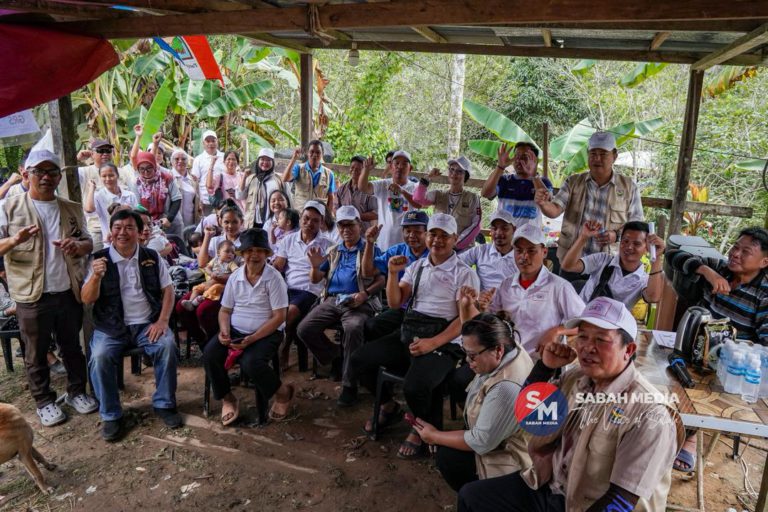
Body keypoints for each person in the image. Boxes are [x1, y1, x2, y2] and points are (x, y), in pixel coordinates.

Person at [457, 297, 684, 512]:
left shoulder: (651, 414)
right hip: (552, 486)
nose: (587, 347)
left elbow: (621, 502)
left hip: (588, 505)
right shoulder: (576, 378)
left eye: (601, 339)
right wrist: (544, 368)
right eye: (583, 337)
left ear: (629, 350)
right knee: (471, 497)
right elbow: (529, 418)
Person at [349, 214, 480, 457]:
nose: (437, 240)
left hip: (445, 339)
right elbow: (396, 302)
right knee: (359, 360)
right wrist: (392, 273)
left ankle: (422, 427)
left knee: (414, 386)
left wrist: (434, 343)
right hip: (412, 331)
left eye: (444, 236)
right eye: (433, 234)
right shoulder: (417, 266)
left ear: (455, 239)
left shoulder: (464, 273)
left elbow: (463, 321)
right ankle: (389, 406)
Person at [0, 150, 97, 427]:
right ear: (26, 174)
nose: (45, 177)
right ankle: (44, 401)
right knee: (35, 351)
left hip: (67, 290)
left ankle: (77, 391)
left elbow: (88, 242)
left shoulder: (70, 207)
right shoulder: (8, 206)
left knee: (72, 347)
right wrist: (14, 240)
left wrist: (78, 246)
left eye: (52, 172)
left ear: (58, 177)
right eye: (39, 172)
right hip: (31, 295)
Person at [666, 226, 768, 471]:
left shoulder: (764, 294)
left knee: (699, 394)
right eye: (735, 247)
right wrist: (707, 271)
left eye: (746, 251)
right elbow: (671, 256)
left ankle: (688, 438)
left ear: (764, 261)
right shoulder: (720, 267)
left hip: (723, 369)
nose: (735, 253)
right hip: (690, 352)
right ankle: (663, 432)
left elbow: (764, 346)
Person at [82, 209, 181, 441]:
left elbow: (168, 290)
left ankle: (165, 403)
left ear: (139, 233)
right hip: (111, 327)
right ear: (110, 231)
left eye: (129, 228)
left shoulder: (151, 256)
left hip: (147, 324)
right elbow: (86, 299)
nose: (122, 232)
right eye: (117, 227)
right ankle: (111, 415)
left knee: (167, 346)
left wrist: (162, 321)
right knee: (99, 356)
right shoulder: (98, 259)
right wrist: (96, 277)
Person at [413, 312, 533, 491]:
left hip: (511, 456)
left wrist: (434, 436)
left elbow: (481, 441)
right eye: (465, 354)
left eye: (472, 355)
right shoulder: (512, 347)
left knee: (448, 458)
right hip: (504, 435)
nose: (467, 361)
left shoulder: (505, 388)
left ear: (498, 350)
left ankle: (482, 497)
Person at [202, 228, 295, 425]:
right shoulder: (235, 278)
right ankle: (228, 398)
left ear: (266, 254)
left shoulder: (274, 278)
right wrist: (224, 331)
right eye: (249, 250)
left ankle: (283, 392)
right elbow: (225, 311)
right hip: (236, 331)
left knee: (251, 363)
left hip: (267, 332)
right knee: (210, 355)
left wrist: (252, 339)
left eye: (260, 250)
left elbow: (279, 317)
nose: (254, 254)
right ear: (242, 254)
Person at [296, 205, 385, 406]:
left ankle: (349, 384)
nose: (346, 230)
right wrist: (314, 266)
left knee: (353, 328)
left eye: (350, 225)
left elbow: (381, 280)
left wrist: (365, 294)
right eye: (341, 225)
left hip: (359, 302)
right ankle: (337, 356)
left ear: (359, 225)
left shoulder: (370, 248)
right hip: (333, 299)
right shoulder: (334, 250)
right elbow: (317, 278)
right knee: (304, 329)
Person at [468, 224, 585, 355]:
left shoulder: (559, 287)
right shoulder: (506, 285)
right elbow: (495, 320)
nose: (524, 257)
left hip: (541, 359)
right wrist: (484, 309)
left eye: (531, 251)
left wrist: (556, 331)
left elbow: (583, 323)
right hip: (507, 357)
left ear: (544, 252)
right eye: (519, 251)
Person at [535, 132, 644, 265]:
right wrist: (543, 203)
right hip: (570, 260)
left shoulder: (629, 187)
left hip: (607, 264)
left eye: (603, 154)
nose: (597, 158)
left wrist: (616, 236)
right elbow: (554, 210)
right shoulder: (573, 182)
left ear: (614, 156)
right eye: (593, 154)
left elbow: (637, 227)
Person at [272, 201, 334, 370]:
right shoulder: (288, 240)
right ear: (300, 219)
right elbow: (278, 266)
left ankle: (282, 349)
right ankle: (279, 347)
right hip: (287, 288)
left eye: (315, 220)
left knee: (289, 313)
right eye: (306, 219)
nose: (309, 223)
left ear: (321, 222)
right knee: (270, 309)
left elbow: (325, 276)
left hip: (311, 290)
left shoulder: (327, 245)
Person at [359, 210, 430, 343]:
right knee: (371, 326)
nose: (411, 235)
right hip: (400, 308)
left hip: (424, 312)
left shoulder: (434, 254)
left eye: (417, 231)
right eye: (407, 231)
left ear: (427, 233)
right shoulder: (397, 251)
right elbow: (367, 272)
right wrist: (369, 243)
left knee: (405, 338)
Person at [561, 220, 666, 308]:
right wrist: (583, 237)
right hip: (580, 318)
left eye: (637, 243)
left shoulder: (643, 280)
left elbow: (653, 297)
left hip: (610, 330)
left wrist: (655, 257)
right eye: (625, 241)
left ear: (647, 248)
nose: (629, 247)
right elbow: (568, 266)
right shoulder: (602, 260)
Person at [410, 156, 481, 251]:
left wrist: (457, 243)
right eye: (451, 170)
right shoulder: (438, 194)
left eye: (459, 171)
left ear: (466, 175)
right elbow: (418, 199)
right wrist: (428, 177)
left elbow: (476, 224)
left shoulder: (473, 198)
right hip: (439, 247)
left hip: (462, 250)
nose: (454, 174)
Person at [77, 139, 135, 251]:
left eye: (108, 151)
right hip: (97, 228)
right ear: (92, 154)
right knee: (97, 260)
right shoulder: (84, 172)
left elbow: (134, 201)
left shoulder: (122, 172)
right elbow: (63, 176)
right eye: (100, 150)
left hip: (124, 227)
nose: (105, 154)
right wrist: (77, 159)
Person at [481, 142, 553, 228]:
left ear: (534, 160)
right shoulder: (504, 180)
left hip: (530, 238)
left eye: (524, 157)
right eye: (516, 157)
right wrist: (500, 167)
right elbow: (485, 194)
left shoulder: (544, 182)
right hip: (506, 237)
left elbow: (547, 202)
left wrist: (534, 175)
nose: (519, 161)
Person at [357, 150, 417, 250]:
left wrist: (402, 191)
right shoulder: (383, 184)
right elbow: (363, 187)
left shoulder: (415, 187)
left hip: (407, 245)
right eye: (396, 163)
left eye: (404, 164)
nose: (399, 167)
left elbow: (420, 204)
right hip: (384, 243)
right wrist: (366, 169)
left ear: (410, 168)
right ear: (391, 167)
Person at [458, 209, 518, 290]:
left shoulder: (520, 256)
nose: (499, 233)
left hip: (511, 301)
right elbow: (455, 263)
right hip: (482, 301)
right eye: (494, 228)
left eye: (504, 228)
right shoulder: (481, 251)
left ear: (514, 229)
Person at [84, 163, 138, 246]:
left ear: (117, 175)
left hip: (130, 240)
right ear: (100, 177)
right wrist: (91, 189)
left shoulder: (130, 195)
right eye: (104, 176)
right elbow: (89, 210)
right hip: (110, 243)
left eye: (111, 175)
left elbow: (137, 217)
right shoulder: (99, 196)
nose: (108, 179)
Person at [132, 151, 183, 237]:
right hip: (148, 226)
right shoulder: (136, 183)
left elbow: (177, 198)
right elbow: (137, 206)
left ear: (154, 166)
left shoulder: (167, 178)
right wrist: (146, 222)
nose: (146, 172)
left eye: (149, 168)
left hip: (169, 222)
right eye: (142, 169)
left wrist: (169, 219)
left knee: (174, 247)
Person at [237, 148, 291, 229]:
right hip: (252, 223)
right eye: (262, 159)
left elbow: (289, 200)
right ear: (258, 161)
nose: (265, 162)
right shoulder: (251, 179)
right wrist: (244, 176)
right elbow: (240, 196)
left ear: (273, 163)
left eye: (268, 160)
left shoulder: (279, 180)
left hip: (273, 223)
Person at [181, 239, 239, 311]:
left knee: (215, 288)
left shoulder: (231, 264)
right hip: (209, 281)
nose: (230, 254)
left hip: (220, 283)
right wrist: (211, 273)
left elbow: (236, 272)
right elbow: (207, 268)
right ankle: (190, 301)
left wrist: (223, 275)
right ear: (218, 253)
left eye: (233, 253)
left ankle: (199, 300)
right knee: (197, 288)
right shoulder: (215, 260)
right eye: (227, 251)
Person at [282, 141, 337, 212]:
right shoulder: (298, 169)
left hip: (319, 216)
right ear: (307, 153)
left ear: (322, 154)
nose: (314, 155)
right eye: (312, 151)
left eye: (318, 152)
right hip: (300, 215)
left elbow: (331, 198)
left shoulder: (329, 174)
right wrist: (294, 158)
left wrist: (328, 218)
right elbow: (285, 178)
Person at [335, 155, 378, 231]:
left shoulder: (370, 190)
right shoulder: (342, 189)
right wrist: (344, 218)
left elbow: (375, 214)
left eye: (358, 169)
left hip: (363, 233)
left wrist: (354, 216)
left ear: (364, 171)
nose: (354, 170)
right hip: (344, 232)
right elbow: (335, 208)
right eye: (352, 167)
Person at [191, 129, 225, 215]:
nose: (211, 144)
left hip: (223, 199)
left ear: (217, 142)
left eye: (213, 141)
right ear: (203, 143)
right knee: (207, 225)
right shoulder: (198, 159)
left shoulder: (224, 157)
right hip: (206, 201)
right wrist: (198, 201)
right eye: (208, 141)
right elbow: (195, 181)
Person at [169, 148, 200, 228]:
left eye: (183, 159)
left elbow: (197, 200)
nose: (180, 161)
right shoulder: (168, 177)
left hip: (191, 220)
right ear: (171, 162)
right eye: (177, 159)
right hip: (173, 221)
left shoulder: (193, 179)